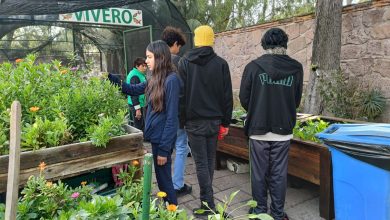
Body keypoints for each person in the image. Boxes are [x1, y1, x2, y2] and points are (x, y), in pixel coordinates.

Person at [239, 28, 303, 220]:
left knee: (258, 173)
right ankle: (277, 213)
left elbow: (244, 98)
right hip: (283, 130)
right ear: (285, 44)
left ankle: (259, 211)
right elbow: (296, 99)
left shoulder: (253, 67)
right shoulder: (296, 68)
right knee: (279, 174)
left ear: (265, 45)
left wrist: (257, 107)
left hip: (258, 129)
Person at [108, 40, 181, 205]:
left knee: (165, 180)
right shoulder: (154, 78)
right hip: (156, 137)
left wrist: (163, 150)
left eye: (149, 57)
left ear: (160, 57)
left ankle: (173, 210)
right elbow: (132, 89)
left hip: (163, 139)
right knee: (162, 180)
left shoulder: (172, 81)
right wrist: (110, 78)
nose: (146, 61)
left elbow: (172, 118)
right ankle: (167, 209)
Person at [178, 25, 233, 216]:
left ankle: (208, 206)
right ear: (211, 40)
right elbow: (227, 97)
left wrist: (181, 121)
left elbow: (181, 96)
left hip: (194, 123)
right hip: (214, 122)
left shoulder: (185, 63)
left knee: (201, 163)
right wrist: (226, 123)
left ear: (196, 39)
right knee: (208, 161)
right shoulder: (221, 64)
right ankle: (208, 203)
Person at [161, 26, 192, 196]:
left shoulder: (156, 61)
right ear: (173, 44)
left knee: (165, 149)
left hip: (160, 115)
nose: (179, 49)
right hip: (177, 115)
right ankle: (177, 184)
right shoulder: (179, 62)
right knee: (181, 147)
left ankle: (165, 185)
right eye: (178, 46)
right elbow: (184, 91)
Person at [126, 57, 147, 130]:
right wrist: (137, 109)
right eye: (143, 66)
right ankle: (139, 140)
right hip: (136, 104)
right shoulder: (135, 76)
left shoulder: (138, 74)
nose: (145, 68)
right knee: (138, 126)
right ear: (137, 66)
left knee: (140, 124)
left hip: (138, 103)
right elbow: (133, 93)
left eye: (145, 66)